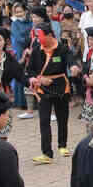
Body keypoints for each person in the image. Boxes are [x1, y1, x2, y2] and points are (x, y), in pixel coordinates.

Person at [26, 26, 72, 164]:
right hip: (43, 88)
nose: (38, 39)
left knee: (62, 117)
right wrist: (39, 80)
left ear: (50, 35)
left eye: (40, 36)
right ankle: (47, 153)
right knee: (44, 120)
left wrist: (75, 67)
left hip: (60, 87)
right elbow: (30, 70)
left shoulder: (62, 48)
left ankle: (62, 145)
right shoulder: (36, 50)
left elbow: (71, 61)